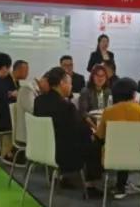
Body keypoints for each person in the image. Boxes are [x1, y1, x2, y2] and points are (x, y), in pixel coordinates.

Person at [34, 67, 103, 196]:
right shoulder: (66, 107)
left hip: (42, 149)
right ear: (62, 83)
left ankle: (62, 177)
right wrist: (94, 133)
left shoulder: (39, 101)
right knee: (95, 144)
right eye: (70, 83)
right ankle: (90, 185)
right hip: (63, 154)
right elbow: (82, 130)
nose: (71, 87)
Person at [95, 78, 140, 199]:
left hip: (112, 158)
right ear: (133, 94)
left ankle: (118, 186)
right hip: (138, 157)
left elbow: (100, 135)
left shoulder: (108, 112)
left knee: (118, 149)